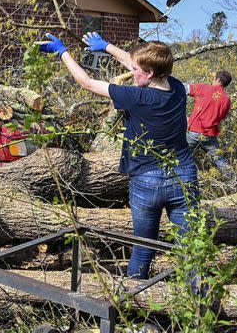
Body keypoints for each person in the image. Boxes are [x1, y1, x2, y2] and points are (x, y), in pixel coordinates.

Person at [39, 32, 199, 279]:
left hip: (147, 181)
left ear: (150, 74)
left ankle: (135, 302)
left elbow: (87, 83)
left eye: (136, 70)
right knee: (190, 250)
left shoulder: (137, 97)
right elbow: (141, 65)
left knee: (144, 248)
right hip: (183, 177)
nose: (132, 72)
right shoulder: (177, 88)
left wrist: (64, 53)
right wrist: (108, 47)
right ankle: (197, 306)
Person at [186, 71, 232, 176]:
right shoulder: (226, 100)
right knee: (220, 160)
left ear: (218, 80)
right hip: (210, 134)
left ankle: (192, 177)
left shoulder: (204, 88)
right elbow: (222, 117)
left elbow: (185, 88)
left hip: (194, 130)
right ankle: (233, 180)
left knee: (183, 156)